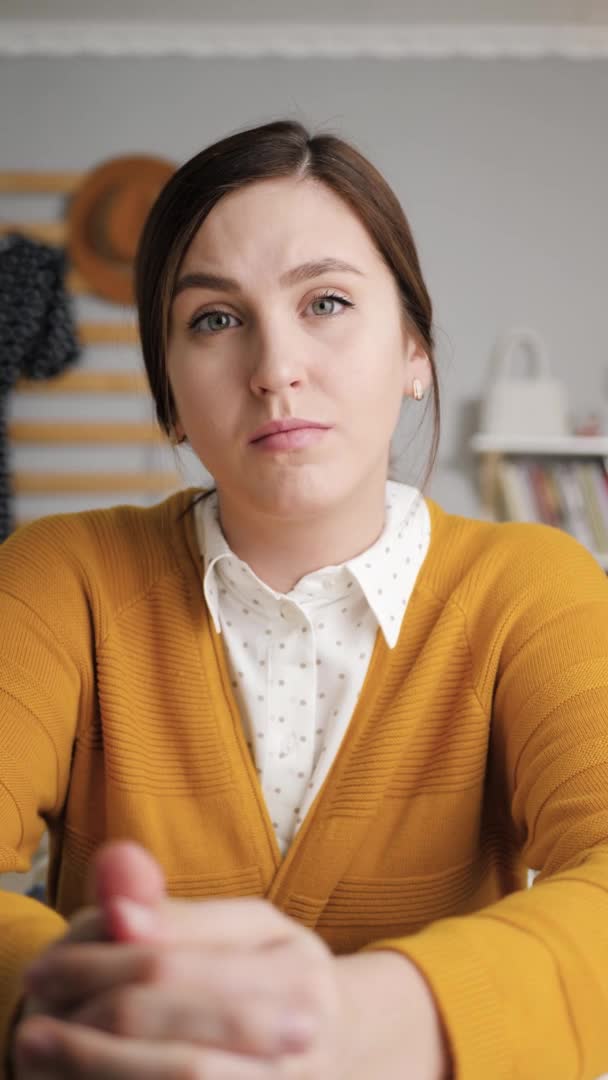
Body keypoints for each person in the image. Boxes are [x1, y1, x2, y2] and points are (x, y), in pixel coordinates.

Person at [1, 118, 608, 1080]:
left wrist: (352, 1024)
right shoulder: (55, 578)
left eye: (324, 301)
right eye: (214, 318)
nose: (275, 368)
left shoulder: (537, 590)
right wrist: (73, 996)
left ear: (415, 350)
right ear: (169, 394)